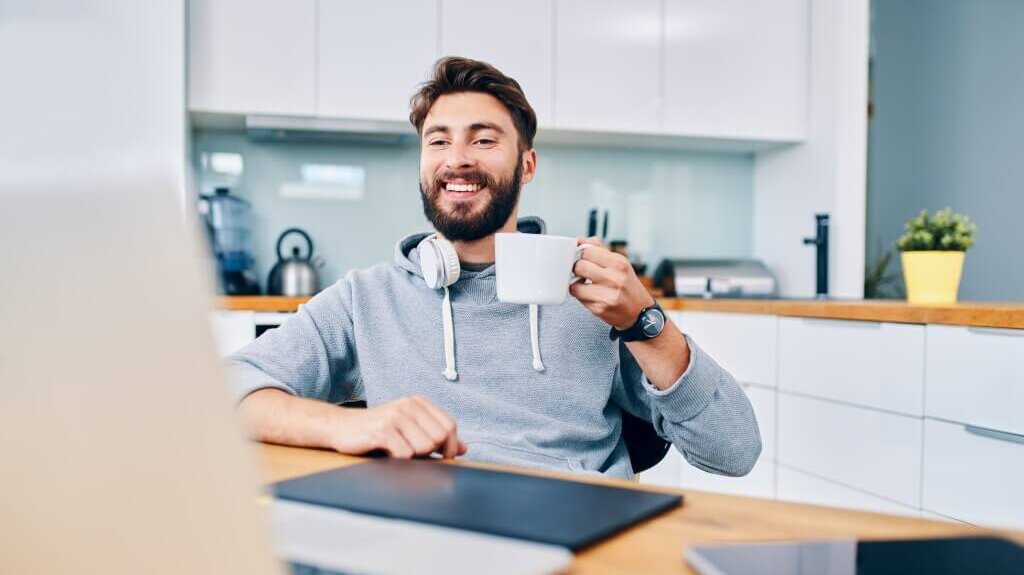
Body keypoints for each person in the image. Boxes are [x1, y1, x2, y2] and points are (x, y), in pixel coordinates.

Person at [230, 56, 761, 479]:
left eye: (483, 140)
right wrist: (346, 426)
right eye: (438, 141)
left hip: (577, 530)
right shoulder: (366, 299)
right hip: (426, 534)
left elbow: (734, 451)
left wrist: (645, 322)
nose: (457, 158)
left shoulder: (597, 298)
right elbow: (222, 391)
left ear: (526, 164)